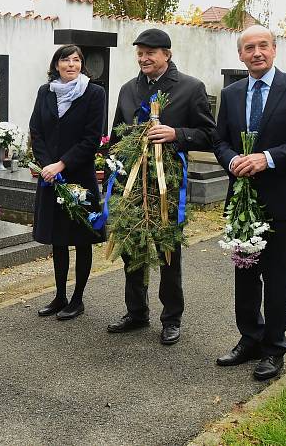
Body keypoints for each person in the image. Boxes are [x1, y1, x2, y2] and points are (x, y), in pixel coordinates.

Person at [213, 25, 286, 380]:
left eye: (263, 46)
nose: (256, 53)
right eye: (248, 48)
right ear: (240, 55)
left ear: (274, 50)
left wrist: (266, 158)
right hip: (241, 200)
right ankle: (249, 337)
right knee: (245, 272)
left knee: (276, 277)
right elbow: (219, 140)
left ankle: (274, 347)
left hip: (281, 198)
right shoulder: (230, 93)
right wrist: (231, 161)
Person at [106, 28, 217, 345]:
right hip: (131, 183)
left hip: (167, 185)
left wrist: (176, 134)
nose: (143, 58)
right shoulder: (128, 89)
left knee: (167, 252)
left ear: (166, 54)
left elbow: (208, 134)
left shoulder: (190, 88)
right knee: (132, 249)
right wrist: (110, 164)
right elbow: (117, 135)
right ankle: (137, 313)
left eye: (150, 52)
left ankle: (171, 318)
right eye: (139, 53)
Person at [30, 45, 106, 320]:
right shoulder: (45, 92)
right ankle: (60, 295)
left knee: (81, 239)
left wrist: (61, 164)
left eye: (76, 60)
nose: (71, 64)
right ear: (57, 64)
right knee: (57, 239)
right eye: (66, 60)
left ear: (81, 65)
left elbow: (92, 138)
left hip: (79, 176)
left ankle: (77, 298)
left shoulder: (94, 93)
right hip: (50, 177)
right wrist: (47, 165)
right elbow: (36, 130)